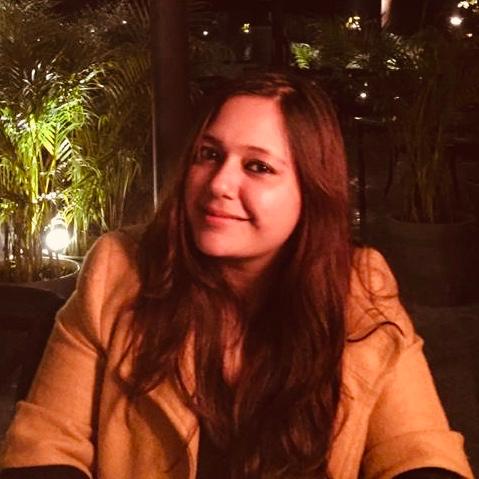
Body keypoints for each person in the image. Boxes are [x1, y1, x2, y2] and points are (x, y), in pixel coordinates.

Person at [0, 72, 473, 479]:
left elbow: (417, 449)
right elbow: (46, 441)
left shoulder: (358, 285)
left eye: (258, 166)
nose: (220, 183)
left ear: (311, 191)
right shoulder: (120, 269)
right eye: (209, 154)